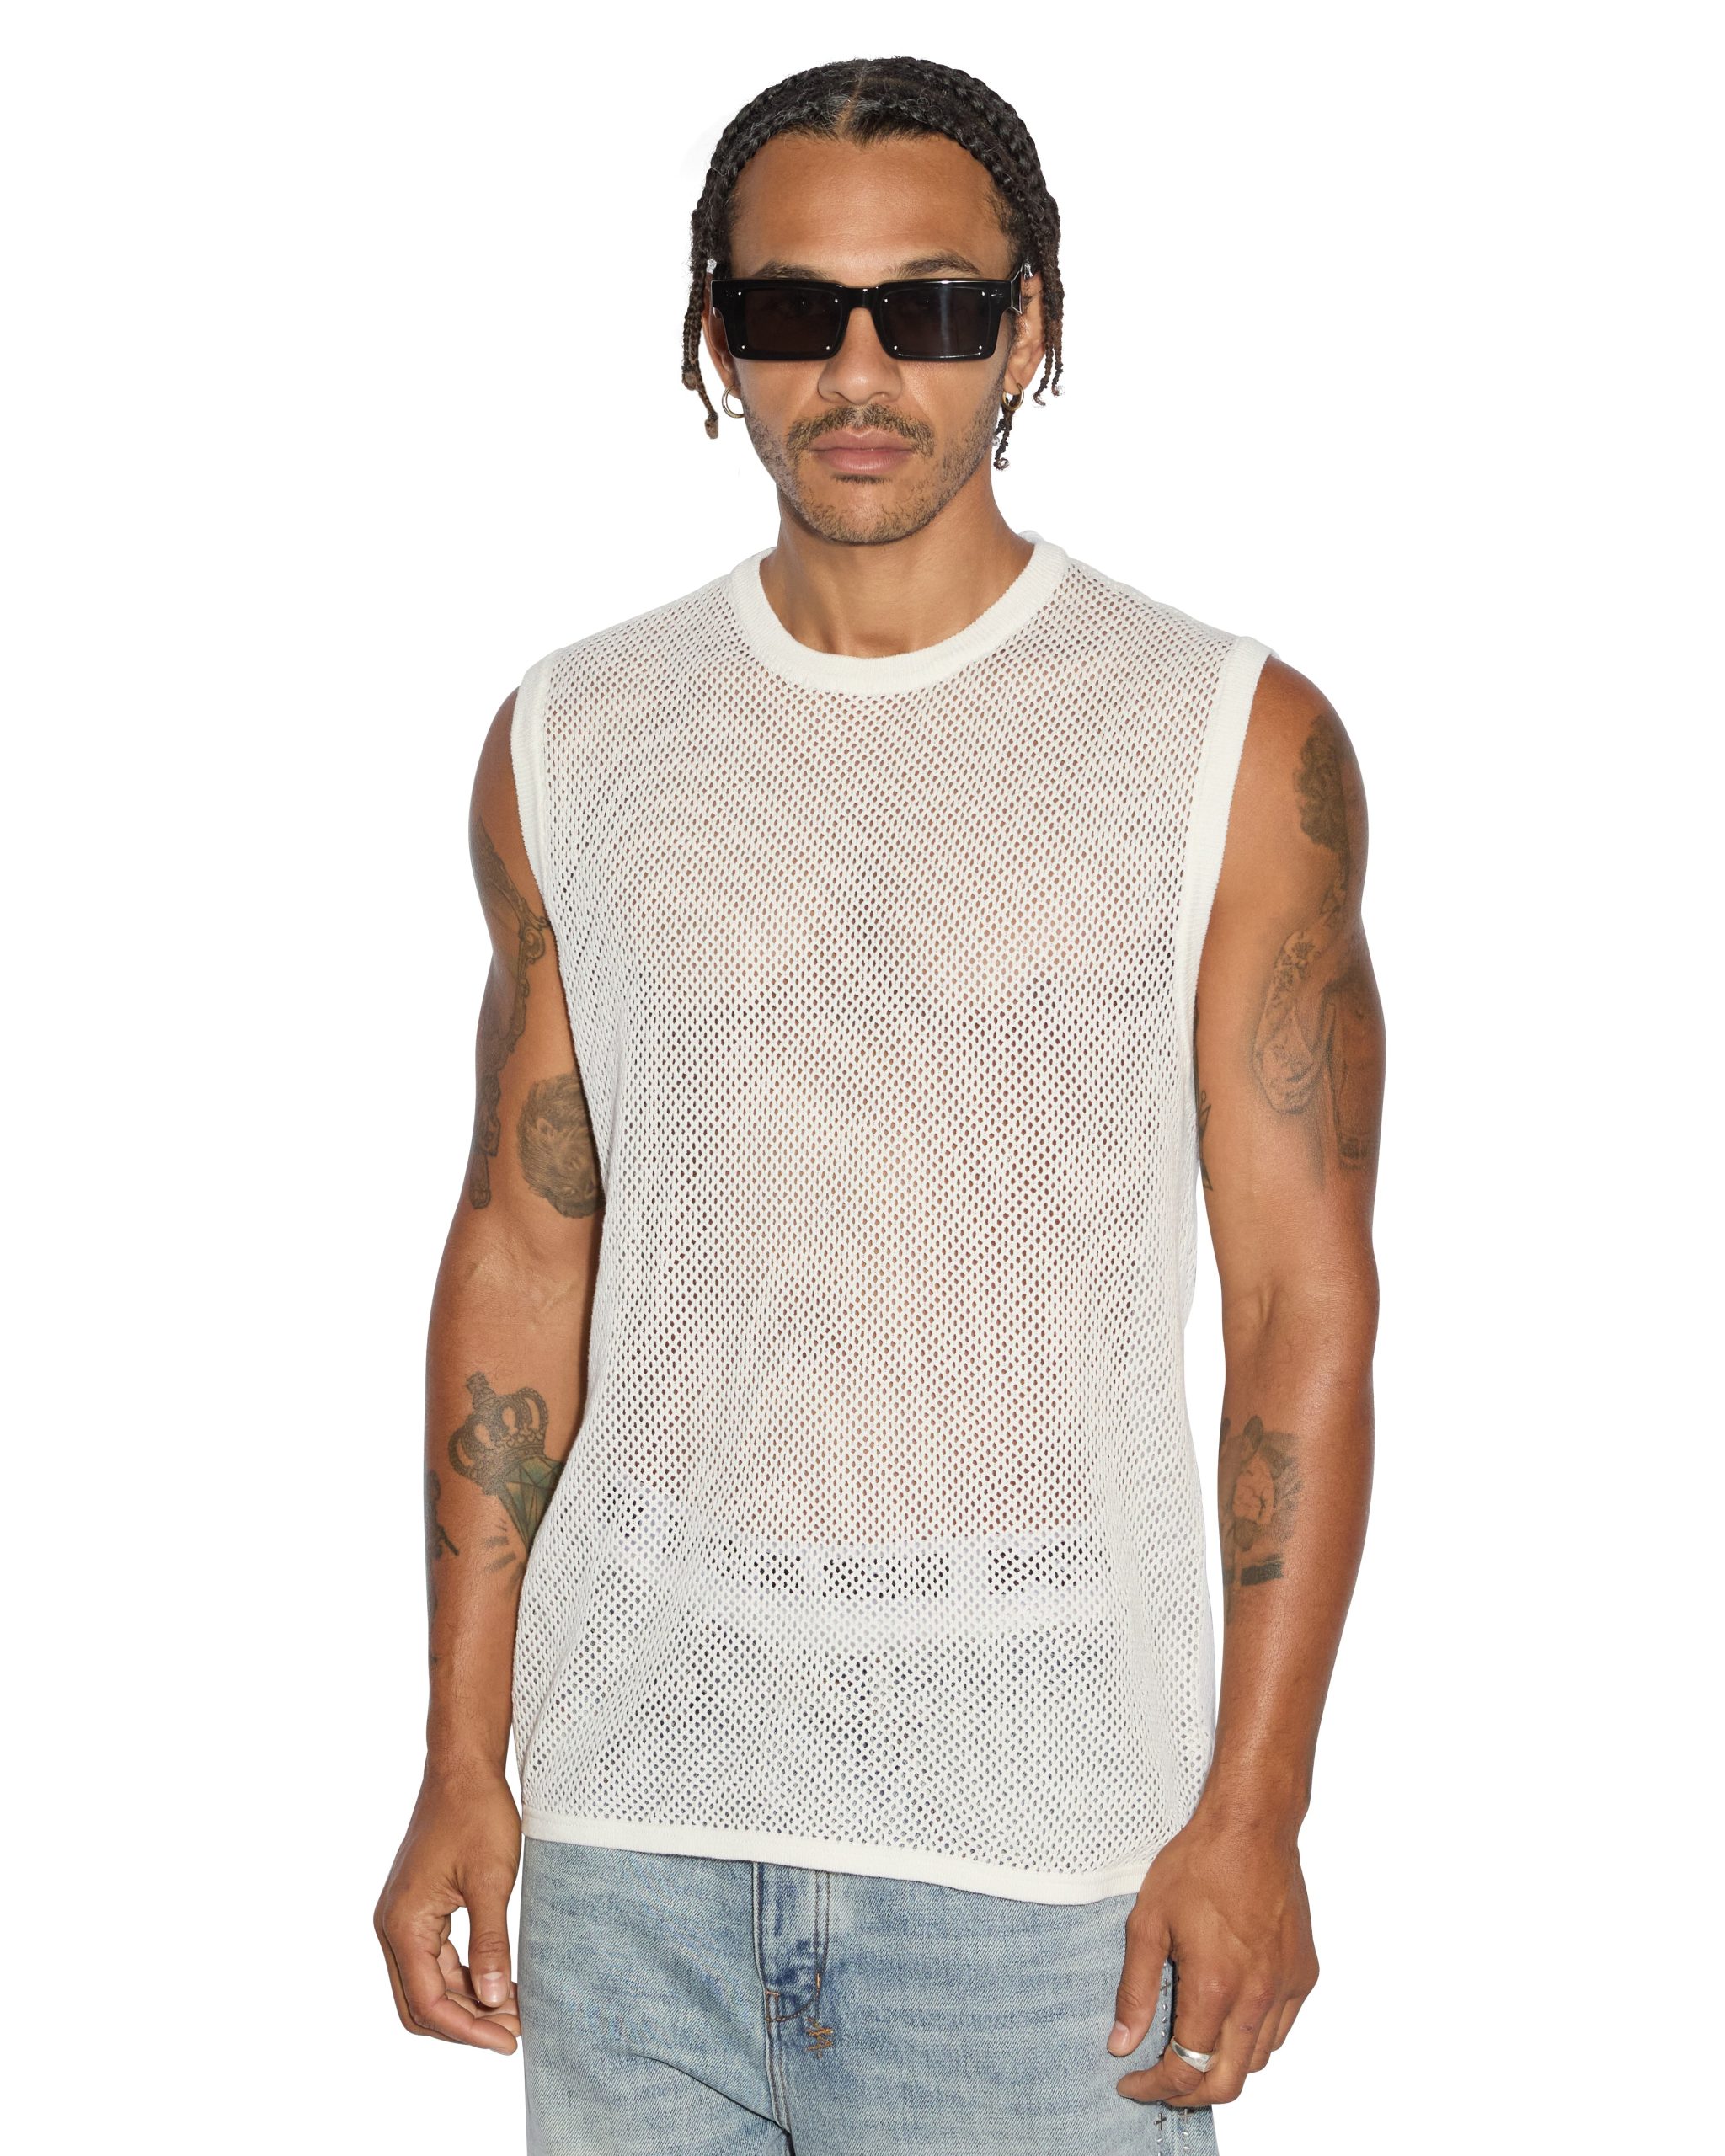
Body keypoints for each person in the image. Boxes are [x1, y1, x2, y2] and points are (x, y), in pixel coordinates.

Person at [374, 53, 1384, 2156]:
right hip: (632, 1833)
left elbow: (1301, 1301)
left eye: (926, 308)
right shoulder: (574, 735)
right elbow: (524, 1241)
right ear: (709, 338)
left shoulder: (1222, 741)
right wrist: (462, 1754)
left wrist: (1258, 1807)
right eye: (788, 310)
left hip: (1041, 1862)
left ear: (1026, 329)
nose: (856, 371)